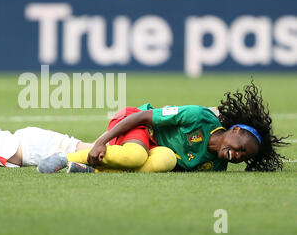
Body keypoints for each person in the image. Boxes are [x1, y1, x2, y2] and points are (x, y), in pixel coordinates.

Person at [37, 80, 289, 173]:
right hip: (136, 127)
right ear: (235, 131)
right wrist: (102, 140)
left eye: (244, 158)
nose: (238, 156)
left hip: (155, 149)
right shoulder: (198, 117)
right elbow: (143, 116)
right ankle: (64, 158)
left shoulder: (215, 165)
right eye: (241, 148)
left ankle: (92, 170)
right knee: (136, 155)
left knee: (165, 160)